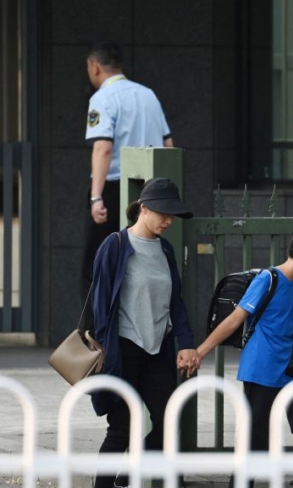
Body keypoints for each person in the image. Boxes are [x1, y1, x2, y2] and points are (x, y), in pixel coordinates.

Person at [193, 226, 293, 488]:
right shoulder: (268, 279)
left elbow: (289, 326)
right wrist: (201, 352)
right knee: (255, 438)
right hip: (261, 369)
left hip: (288, 371)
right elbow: (235, 320)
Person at [90, 178, 198, 488]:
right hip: (123, 350)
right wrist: (107, 353)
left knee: (166, 423)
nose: (168, 221)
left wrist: (186, 342)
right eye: (163, 213)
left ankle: (127, 478)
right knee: (122, 428)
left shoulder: (165, 248)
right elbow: (100, 304)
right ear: (144, 208)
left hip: (158, 350)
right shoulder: (116, 245)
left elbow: (175, 300)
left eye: (172, 215)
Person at [83, 40, 174, 308]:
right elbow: (169, 145)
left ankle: (95, 337)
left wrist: (96, 197)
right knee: (141, 264)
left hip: (113, 191)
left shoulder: (102, 98)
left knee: (98, 266)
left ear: (95, 67)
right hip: (150, 193)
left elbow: (103, 148)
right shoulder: (148, 95)